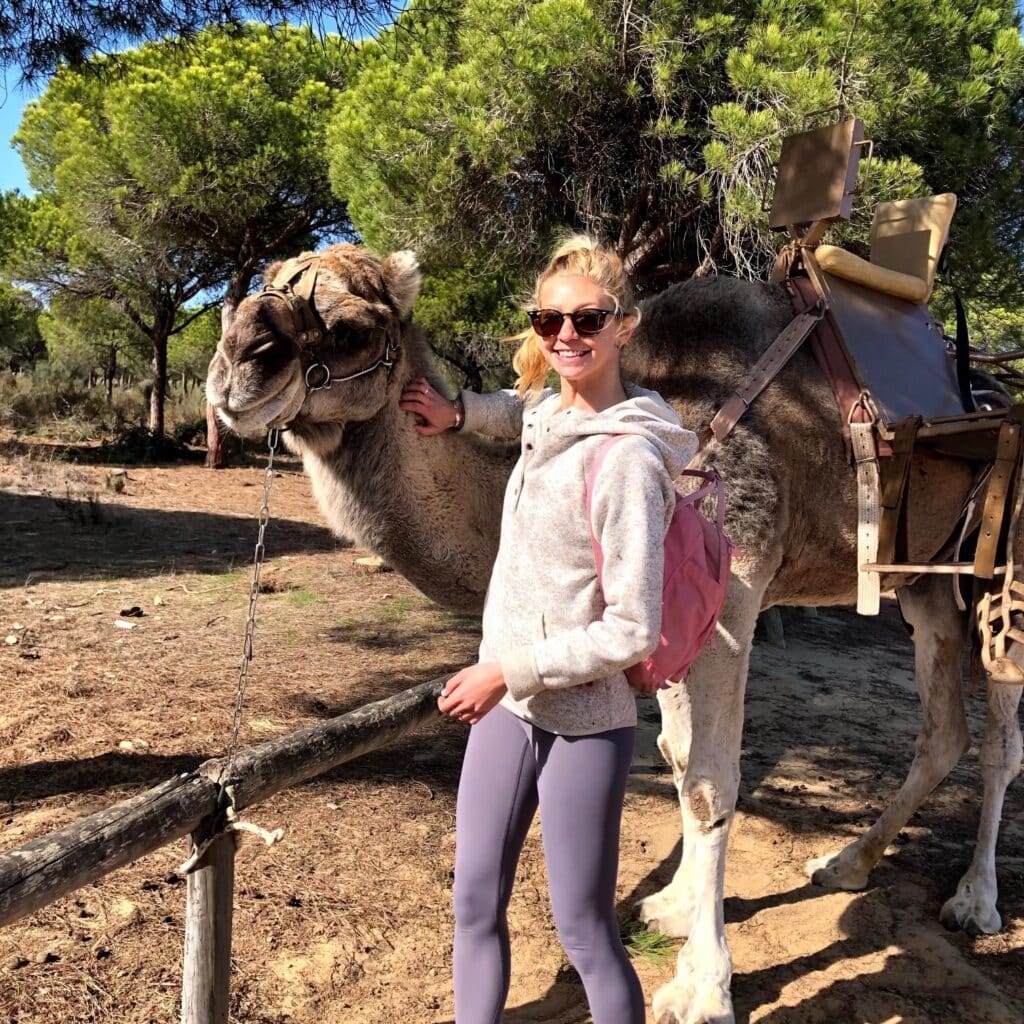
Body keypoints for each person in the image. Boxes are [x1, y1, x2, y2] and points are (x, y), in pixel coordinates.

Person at [399, 236, 697, 1023]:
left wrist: (508, 670)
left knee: (584, 930)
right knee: (473, 903)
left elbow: (632, 631)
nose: (566, 335)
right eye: (549, 320)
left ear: (624, 327)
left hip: (583, 721)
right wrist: (457, 414)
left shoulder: (629, 460)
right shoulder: (547, 414)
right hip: (509, 710)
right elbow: (517, 409)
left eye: (588, 320)